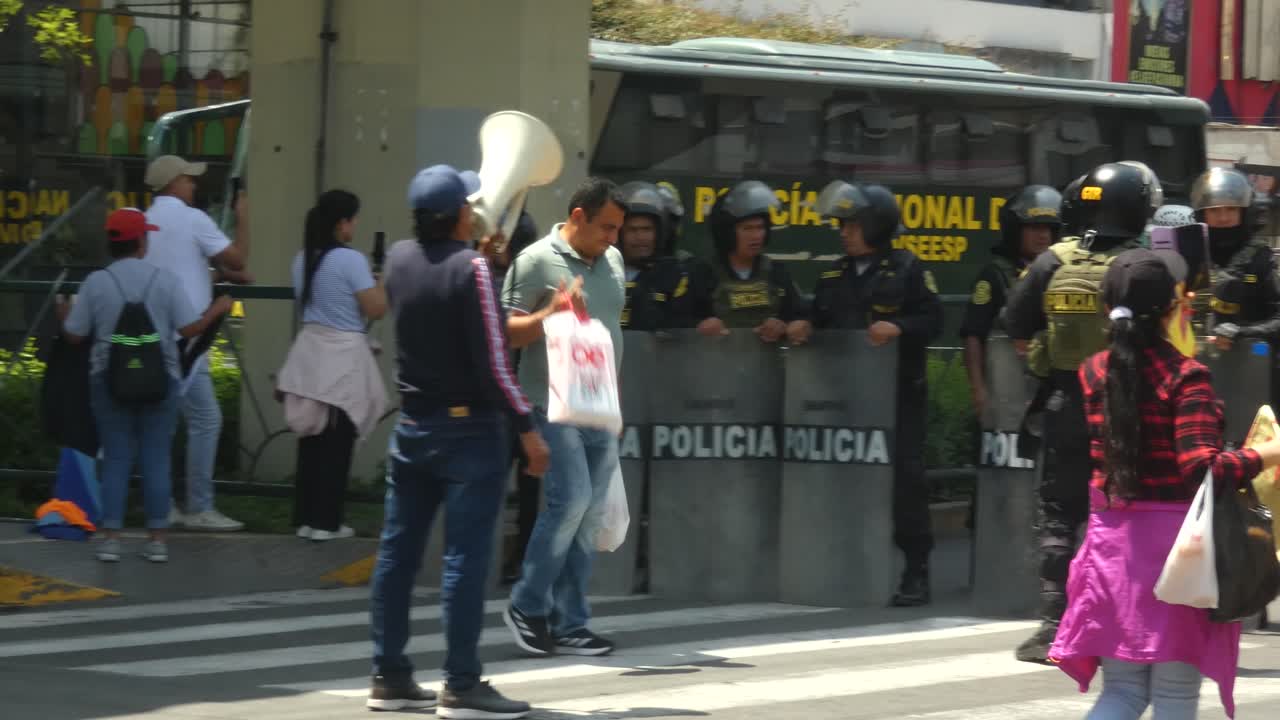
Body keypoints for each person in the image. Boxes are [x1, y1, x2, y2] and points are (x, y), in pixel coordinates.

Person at [1048, 247, 1280, 718]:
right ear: (1174, 309)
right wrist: (1266, 454)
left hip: (1114, 549)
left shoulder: (1093, 372)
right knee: (1174, 696)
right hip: (1180, 554)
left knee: (1122, 692)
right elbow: (1200, 467)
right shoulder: (1185, 376)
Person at [368, 164, 547, 718]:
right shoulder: (471, 269)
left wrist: (483, 267)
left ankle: (389, 674)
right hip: (470, 432)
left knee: (397, 554)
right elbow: (495, 364)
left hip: (414, 427)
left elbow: (439, 291)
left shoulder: (398, 259)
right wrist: (527, 429)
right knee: (465, 559)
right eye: (470, 205)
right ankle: (462, 682)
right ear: (458, 214)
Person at [1001, 162, 1157, 663]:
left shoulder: (1052, 260)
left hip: (1067, 401)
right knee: (1129, 513)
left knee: (1059, 513)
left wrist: (1050, 355)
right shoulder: (1144, 264)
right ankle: (1124, 627)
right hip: (1129, 404)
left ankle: (1054, 627)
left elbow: (1015, 325)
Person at [789, 180, 944, 606]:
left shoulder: (909, 268)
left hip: (898, 398)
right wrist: (804, 325)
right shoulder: (832, 273)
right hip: (846, 400)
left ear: (878, 226)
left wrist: (900, 327)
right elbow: (816, 315)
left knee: (904, 482)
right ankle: (845, 563)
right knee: (843, 482)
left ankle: (916, 571)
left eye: (854, 224)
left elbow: (934, 319)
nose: (844, 232)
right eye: (841, 225)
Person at [58, 208, 233, 563]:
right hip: (160, 381)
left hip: (108, 381)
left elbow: (75, 335)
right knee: (156, 458)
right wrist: (216, 310)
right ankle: (156, 540)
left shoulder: (96, 283)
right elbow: (188, 330)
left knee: (117, 458)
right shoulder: (165, 280)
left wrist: (62, 311)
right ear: (141, 242)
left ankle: (111, 538)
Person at [501, 177, 626, 657]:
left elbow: (609, 329)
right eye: (606, 227)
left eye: (618, 228)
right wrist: (550, 313)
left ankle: (571, 621)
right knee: (570, 502)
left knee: (589, 515)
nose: (613, 238)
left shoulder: (612, 261)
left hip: (601, 404)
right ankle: (527, 604)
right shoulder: (534, 261)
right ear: (578, 217)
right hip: (551, 403)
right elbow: (504, 332)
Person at [143, 154, 251, 532]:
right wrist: (242, 216)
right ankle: (199, 506)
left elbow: (174, 264)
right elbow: (238, 258)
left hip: (151, 337)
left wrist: (215, 272)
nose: (194, 184)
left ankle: (165, 505)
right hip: (188, 340)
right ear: (174, 182)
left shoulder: (146, 220)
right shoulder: (193, 220)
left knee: (163, 425)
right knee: (205, 419)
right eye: (189, 179)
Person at [276, 190, 389, 542]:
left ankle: (307, 518)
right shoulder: (350, 260)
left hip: (310, 353)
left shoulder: (302, 259)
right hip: (342, 356)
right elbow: (376, 308)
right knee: (338, 441)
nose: (355, 226)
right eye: (353, 219)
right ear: (342, 223)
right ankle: (328, 522)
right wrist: (382, 279)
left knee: (312, 439)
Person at [959, 185, 1062, 420]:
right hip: (1005, 392)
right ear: (1016, 229)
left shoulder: (1065, 274)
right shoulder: (996, 274)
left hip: (1051, 392)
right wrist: (978, 389)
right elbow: (973, 334)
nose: (1043, 235)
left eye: (1050, 228)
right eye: (1035, 227)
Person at [693, 180, 807, 343]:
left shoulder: (777, 272)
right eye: (747, 228)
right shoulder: (703, 273)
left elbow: (800, 316)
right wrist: (700, 326)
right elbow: (677, 321)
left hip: (766, 365)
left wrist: (791, 325)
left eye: (760, 227)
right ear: (727, 233)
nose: (756, 236)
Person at [1186, 167, 1280, 351]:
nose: (1223, 218)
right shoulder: (1190, 254)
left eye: (1231, 209)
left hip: (1249, 362)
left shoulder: (1259, 257)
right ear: (1202, 214)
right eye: (1214, 210)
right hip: (1191, 363)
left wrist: (1244, 332)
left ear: (1244, 213)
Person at [615, 181, 707, 331]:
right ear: (619, 234)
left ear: (659, 233)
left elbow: (688, 327)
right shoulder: (603, 272)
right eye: (632, 230)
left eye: (647, 229)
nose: (640, 237)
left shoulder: (677, 276)